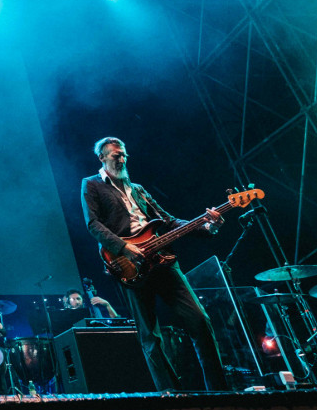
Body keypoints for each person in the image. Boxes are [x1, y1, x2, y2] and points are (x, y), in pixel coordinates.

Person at [82, 136, 227, 391]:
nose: (122, 159)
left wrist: (207, 225)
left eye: (124, 154)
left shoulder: (138, 189)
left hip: (163, 260)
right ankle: (170, 396)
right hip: (129, 263)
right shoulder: (92, 185)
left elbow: (169, 222)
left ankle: (219, 391)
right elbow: (93, 224)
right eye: (116, 155)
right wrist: (124, 247)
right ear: (102, 158)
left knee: (200, 321)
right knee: (150, 337)